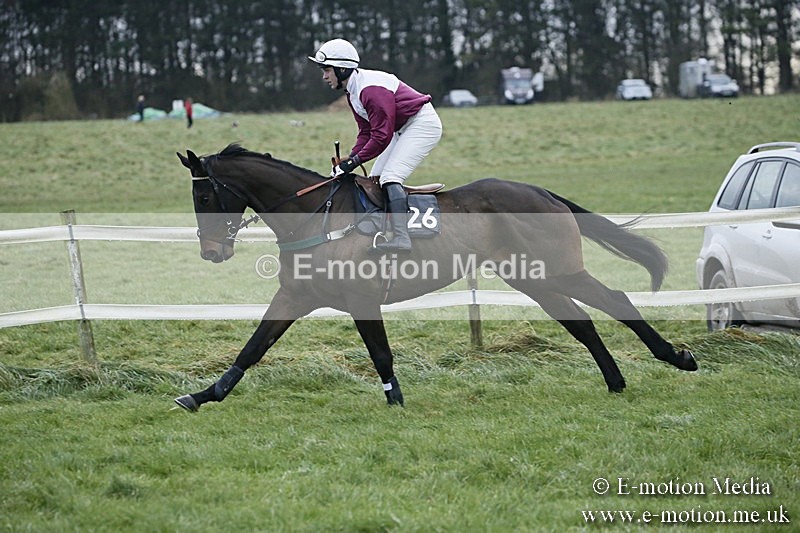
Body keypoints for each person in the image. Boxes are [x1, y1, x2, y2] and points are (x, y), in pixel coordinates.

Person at [308, 38, 442, 253]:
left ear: (342, 69)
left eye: (327, 70)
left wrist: (354, 162)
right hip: (400, 129)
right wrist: (348, 160)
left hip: (421, 125)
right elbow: (366, 132)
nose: (324, 76)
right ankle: (382, 230)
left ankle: (402, 238)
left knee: (390, 177)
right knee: (375, 180)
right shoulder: (353, 91)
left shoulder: (370, 91)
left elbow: (380, 137)